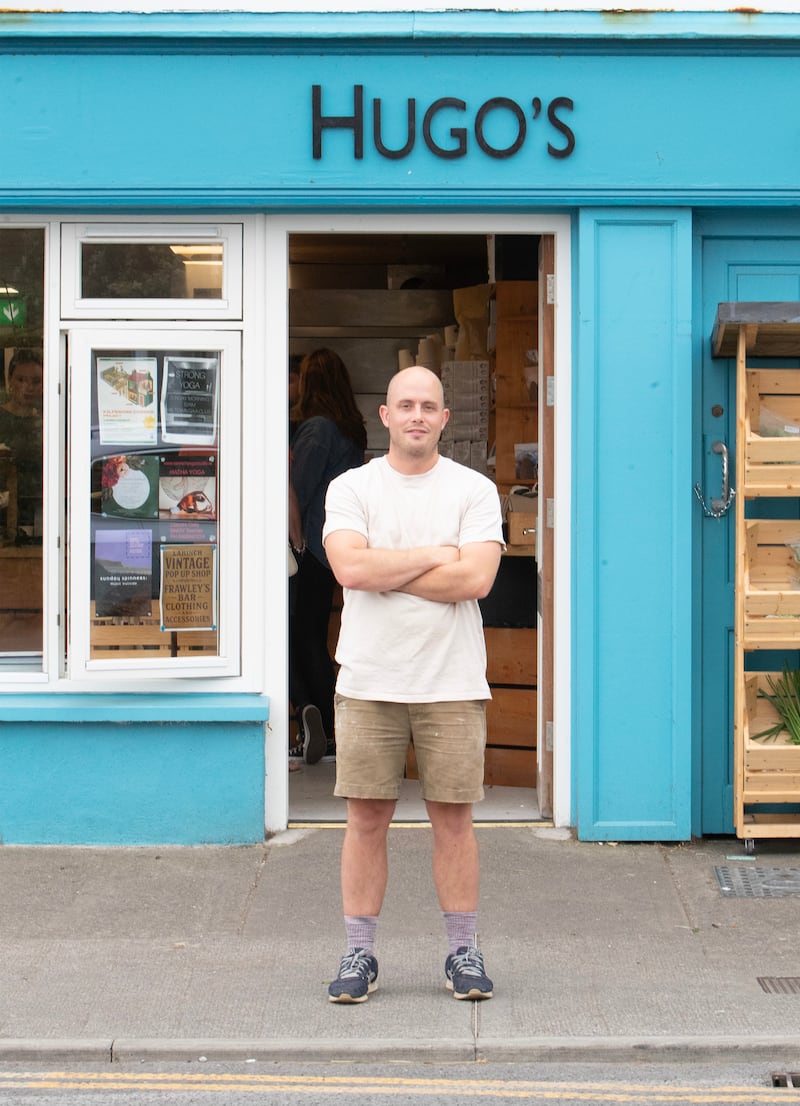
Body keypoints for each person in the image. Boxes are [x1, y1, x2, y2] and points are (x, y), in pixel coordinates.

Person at [322, 365, 504, 1004]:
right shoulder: (351, 487)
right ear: (386, 416)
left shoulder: (475, 491)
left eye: (430, 405)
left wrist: (383, 569)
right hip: (370, 679)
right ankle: (358, 955)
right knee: (366, 817)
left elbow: (475, 581)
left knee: (452, 819)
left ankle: (463, 952)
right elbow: (348, 566)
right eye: (406, 405)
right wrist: (436, 554)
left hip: (450, 681)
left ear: (445, 419)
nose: (418, 415)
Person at [289, 348, 367, 765]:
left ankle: (315, 715)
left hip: (309, 547)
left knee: (298, 638)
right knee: (315, 638)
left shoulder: (316, 429)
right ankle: (323, 722)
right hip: (336, 544)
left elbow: (296, 491)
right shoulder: (350, 428)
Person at [0, 348, 44, 543]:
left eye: (35, 381)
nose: (28, 387)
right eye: (21, 380)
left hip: (41, 510)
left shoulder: (48, 420)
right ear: (10, 381)